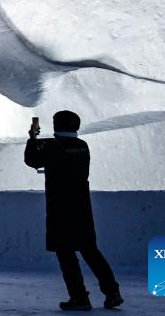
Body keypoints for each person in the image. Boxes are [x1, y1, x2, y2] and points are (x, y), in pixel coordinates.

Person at [24, 110, 123, 311]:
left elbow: (32, 160)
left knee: (65, 253)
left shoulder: (53, 147)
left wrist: (32, 138)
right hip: (82, 206)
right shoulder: (82, 146)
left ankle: (79, 297)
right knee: (90, 250)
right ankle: (112, 291)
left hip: (60, 207)